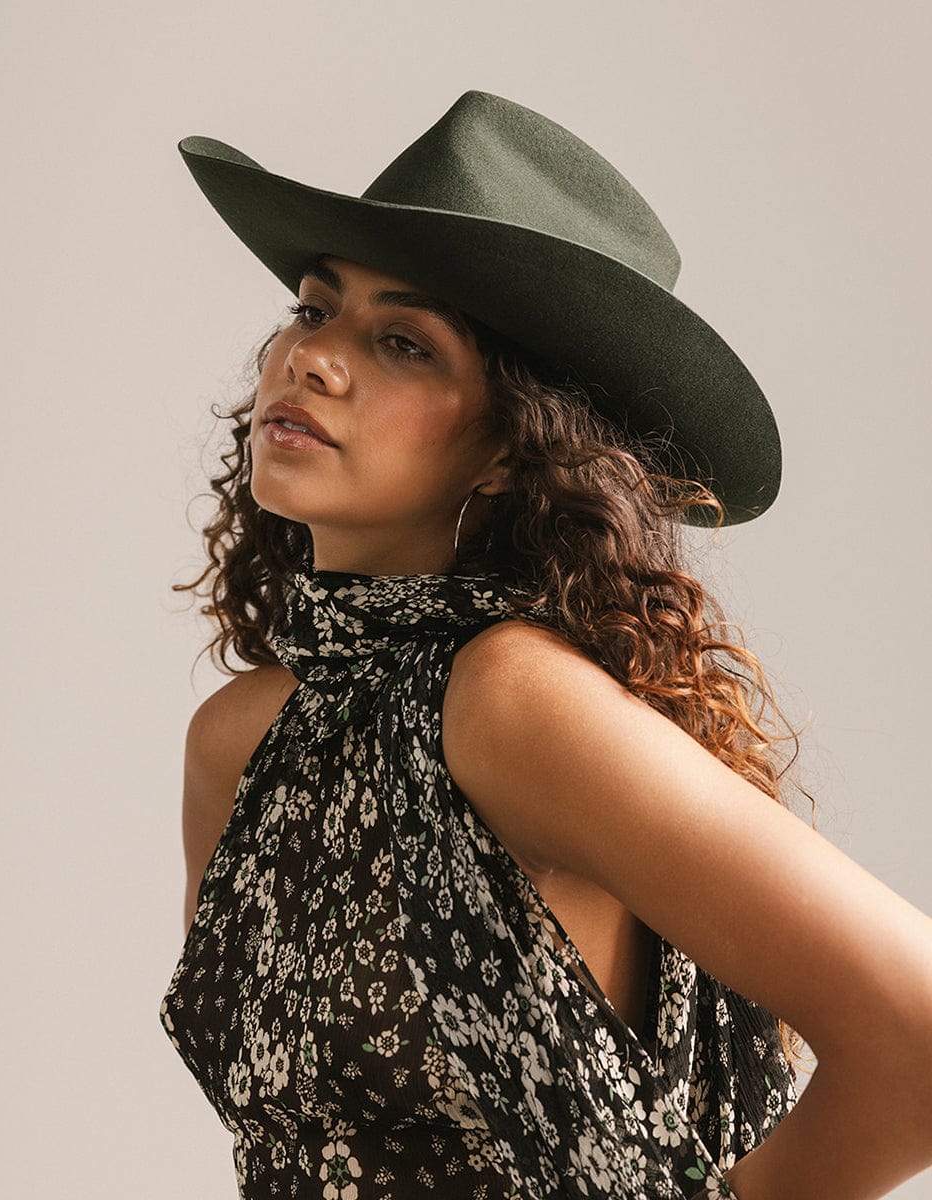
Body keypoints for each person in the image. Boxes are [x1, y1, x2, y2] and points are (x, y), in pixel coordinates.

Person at [159, 91, 932, 1199]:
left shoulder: (502, 697)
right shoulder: (236, 739)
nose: (313, 361)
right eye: (314, 309)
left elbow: (915, 1033)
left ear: (509, 452)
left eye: (400, 342)